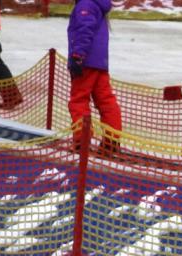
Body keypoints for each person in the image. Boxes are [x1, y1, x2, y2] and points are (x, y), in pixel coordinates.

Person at [66, 0, 121, 152]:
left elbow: (85, 30)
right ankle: (112, 141)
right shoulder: (97, 5)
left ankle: (81, 142)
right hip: (100, 64)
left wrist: (78, 56)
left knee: (78, 100)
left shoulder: (86, 5)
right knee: (106, 100)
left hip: (86, 62)